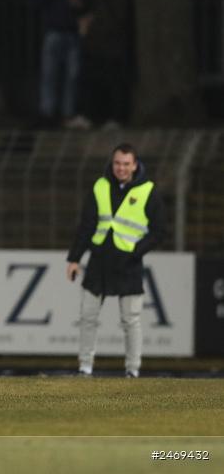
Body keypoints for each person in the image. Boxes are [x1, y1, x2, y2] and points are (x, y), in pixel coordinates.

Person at [65, 143, 166, 378]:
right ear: (112, 164)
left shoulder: (148, 191)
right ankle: (85, 367)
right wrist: (74, 259)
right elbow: (86, 225)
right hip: (99, 258)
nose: (121, 168)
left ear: (135, 165)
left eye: (126, 164)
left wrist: (136, 251)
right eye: (117, 163)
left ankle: (133, 369)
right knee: (88, 316)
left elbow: (160, 230)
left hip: (128, 261)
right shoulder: (100, 186)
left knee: (131, 319)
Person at [36, 0, 92, 126]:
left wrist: (80, 6)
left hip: (73, 34)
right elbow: (38, 4)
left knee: (72, 76)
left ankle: (68, 114)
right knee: (49, 75)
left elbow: (88, 6)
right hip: (53, 33)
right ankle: (47, 112)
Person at [78, 0, 130, 128]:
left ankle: (115, 118)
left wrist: (91, 27)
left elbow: (116, 18)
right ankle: (92, 116)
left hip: (110, 46)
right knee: (96, 81)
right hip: (101, 45)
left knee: (113, 82)